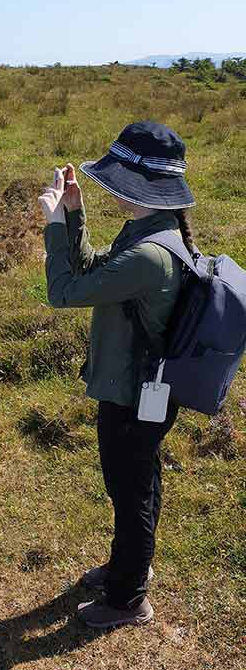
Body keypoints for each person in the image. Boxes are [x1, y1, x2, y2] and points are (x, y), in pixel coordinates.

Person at [37, 120, 198, 629]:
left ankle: (128, 598)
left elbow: (65, 291)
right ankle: (127, 566)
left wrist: (53, 226)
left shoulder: (151, 254)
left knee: (130, 492)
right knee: (135, 484)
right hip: (139, 389)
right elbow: (91, 269)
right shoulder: (152, 230)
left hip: (133, 395)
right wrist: (74, 213)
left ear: (139, 184)